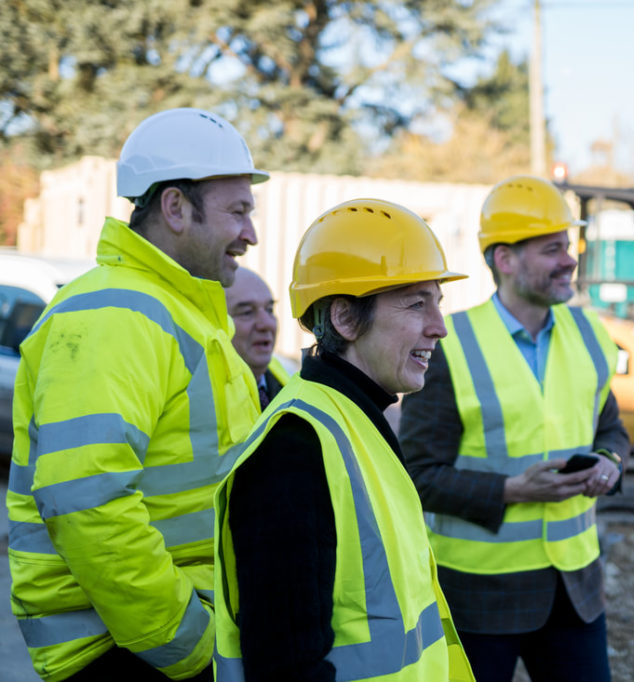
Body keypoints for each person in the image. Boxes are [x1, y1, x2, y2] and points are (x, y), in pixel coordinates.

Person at [5, 107, 268, 681]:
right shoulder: (116, 315)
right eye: (238, 212)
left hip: (154, 639)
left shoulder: (175, 311)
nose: (251, 234)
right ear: (175, 207)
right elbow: (85, 501)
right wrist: (188, 643)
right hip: (132, 650)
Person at [213, 199, 476, 682]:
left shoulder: (355, 418)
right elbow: (284, 665)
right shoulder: (293, 448)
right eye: (417, 303)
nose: (439, 326)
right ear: (345, 319)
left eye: (438, 302)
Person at [398, 175, 630, 682]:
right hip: (480, 596)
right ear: (505, 260)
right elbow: (416, 476)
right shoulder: (449, 344)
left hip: (576, 590)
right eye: (552, 249)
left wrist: (610, 465)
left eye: (567, 246)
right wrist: (513, 489)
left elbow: (611, 431)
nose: (569, 260)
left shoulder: (590, 335)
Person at [224, 267, 290, 407]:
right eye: (247, 312)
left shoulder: (290, 379)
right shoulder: (203, 395)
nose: (266, 324)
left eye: (269, 310)